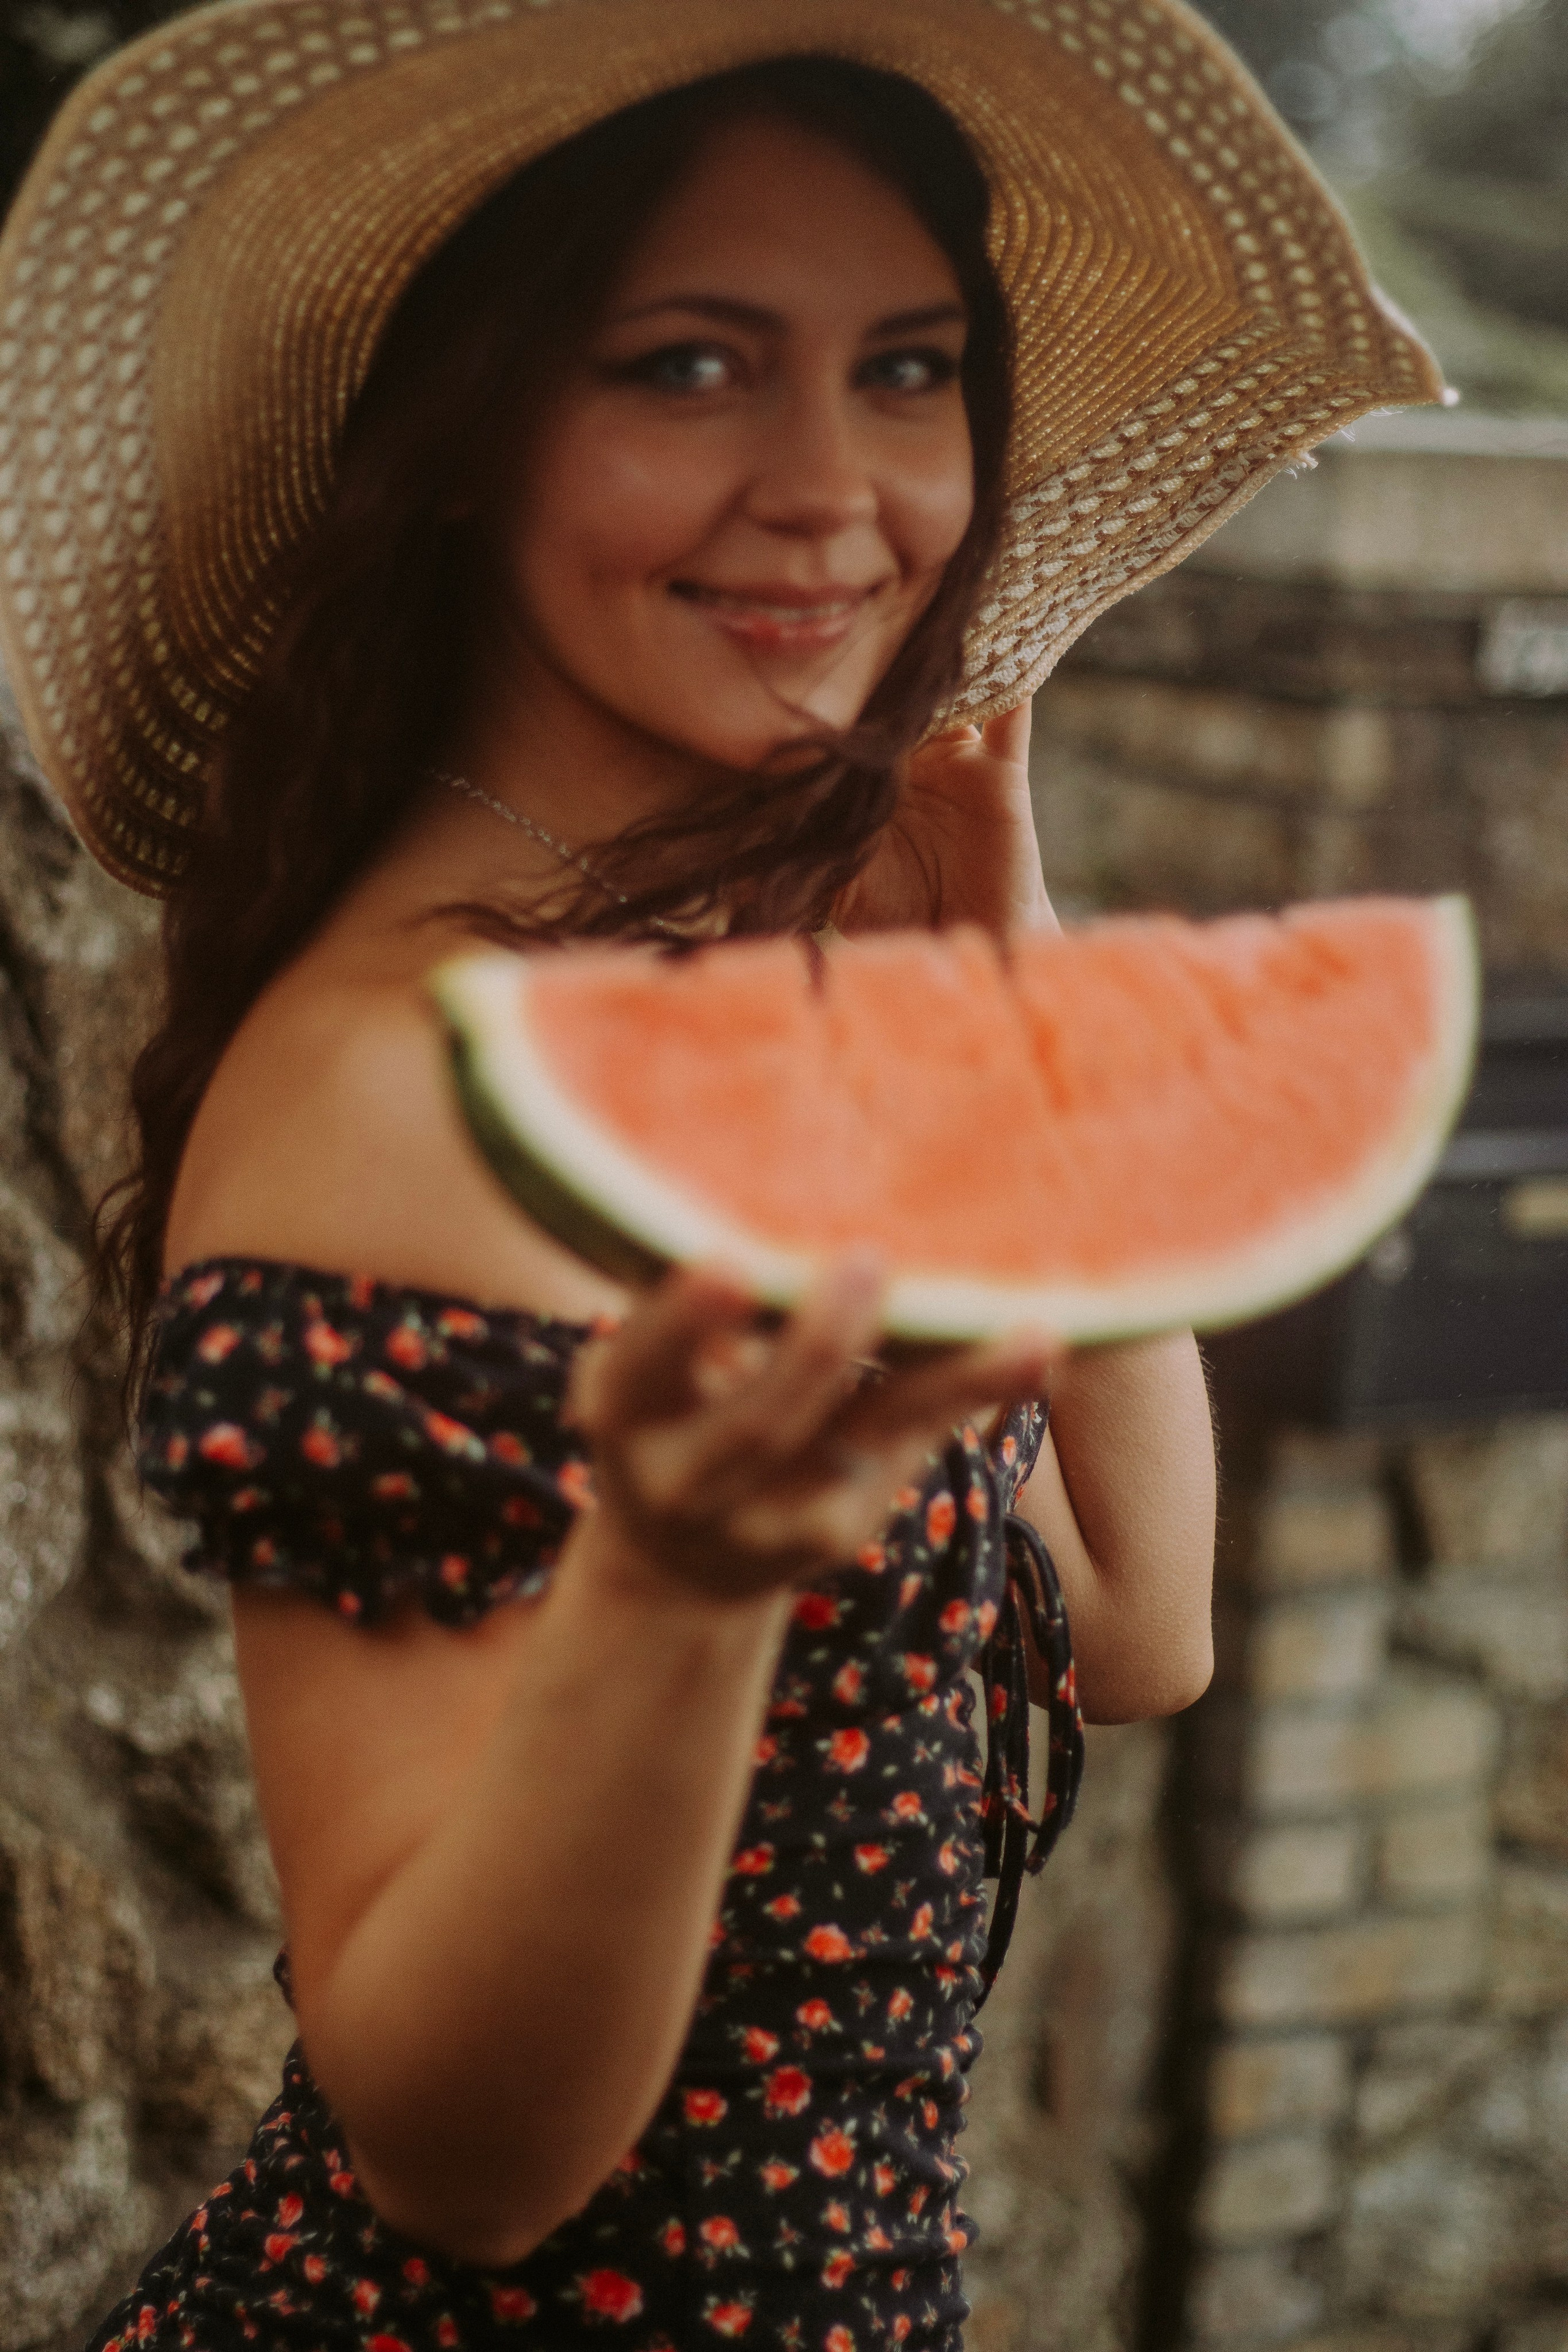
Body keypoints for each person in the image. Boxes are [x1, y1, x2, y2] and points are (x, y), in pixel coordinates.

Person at [0, 2, 1441, 2344]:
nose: (837, 486)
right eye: (690, 365)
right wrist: (671, 1592)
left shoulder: (707, 952)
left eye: (909, 367)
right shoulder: (396, 1090)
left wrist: (1008, 936)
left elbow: (1136, 1620)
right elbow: (452, 2162)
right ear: (465, 425)